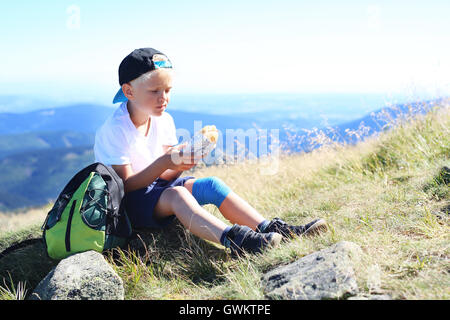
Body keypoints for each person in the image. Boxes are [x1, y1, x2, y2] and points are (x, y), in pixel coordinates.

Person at [94, 47, 327, 257]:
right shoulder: (115, 129)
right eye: (155, 90)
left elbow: (165, 177)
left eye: (167, 90)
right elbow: (126, 185)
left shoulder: (164, 120)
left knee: (212, 185)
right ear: (129, 91)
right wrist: (166, 161)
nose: (163, 98)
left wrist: (180, 166)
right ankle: (238, 241)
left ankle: (273, 229)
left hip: (156, 191)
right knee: (179, 196)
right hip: (127, 205)